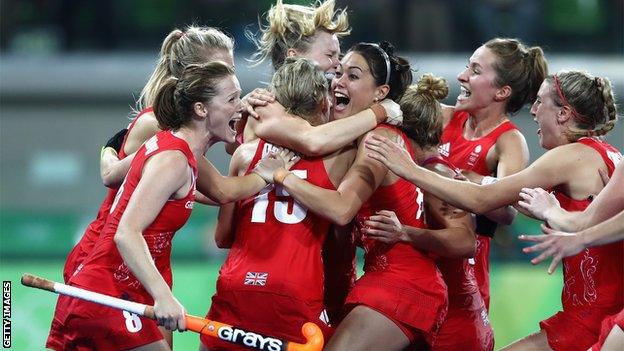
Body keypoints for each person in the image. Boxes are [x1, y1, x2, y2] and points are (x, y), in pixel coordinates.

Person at [365, 69, 621, 351]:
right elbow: (513, 202)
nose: (533, 111)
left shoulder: (569, 156)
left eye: (539, 101)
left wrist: (409, 169)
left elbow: (483, 200)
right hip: (599, 313)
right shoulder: (608, 154)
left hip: (589, 321)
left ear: (563, 114)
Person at [50, 62, 295, 351]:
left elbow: (223, 191)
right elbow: (126, 233)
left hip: (112, 290)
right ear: (201, 109)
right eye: (231, 99)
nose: (241, 107)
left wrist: (264, 175)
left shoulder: (178, 150)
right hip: (107, 293)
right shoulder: (174, 160)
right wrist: (163, 296)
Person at [265, 42, 449, 351]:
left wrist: (281, 176)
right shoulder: (358, 137)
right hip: (383, 276)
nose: (338, 82)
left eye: (353, 75)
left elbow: (341, 210)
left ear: (381, 93)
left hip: (403, 282)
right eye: (337, 73)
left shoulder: (378, 138)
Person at [241, 0, 403, 326]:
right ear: (295, 57)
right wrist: (381, 110)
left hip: (333, 264)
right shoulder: (267, 109)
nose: (336, 66)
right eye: (330, 56)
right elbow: (315, 141)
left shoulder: (333, 111)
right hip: (280, 273)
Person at [200, 57, 356, 351]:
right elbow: (342, 225)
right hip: (294, 290)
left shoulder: (245, 154)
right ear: (322, 104)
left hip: (238, 286)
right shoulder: (339, 156)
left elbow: (222, 237)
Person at [362, 74, 493, 350]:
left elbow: (465, 242)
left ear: (399, 130)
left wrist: (405, 233)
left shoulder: (434, 172)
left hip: (455, 326)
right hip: (448, 316)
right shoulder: (424, 172)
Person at [438, 37, 548, 310]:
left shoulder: (508, 141)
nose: (461, 76)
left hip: (465, 269)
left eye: (475, 71)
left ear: (501, 92)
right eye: (467, 67)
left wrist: (478, 183)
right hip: (421, 255)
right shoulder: (443, 117)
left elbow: (508, 213)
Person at [517, 162, 624, 351]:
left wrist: (551, 211)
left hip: (587, 320)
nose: (537, 130)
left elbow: (581, 223)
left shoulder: (581, 155)